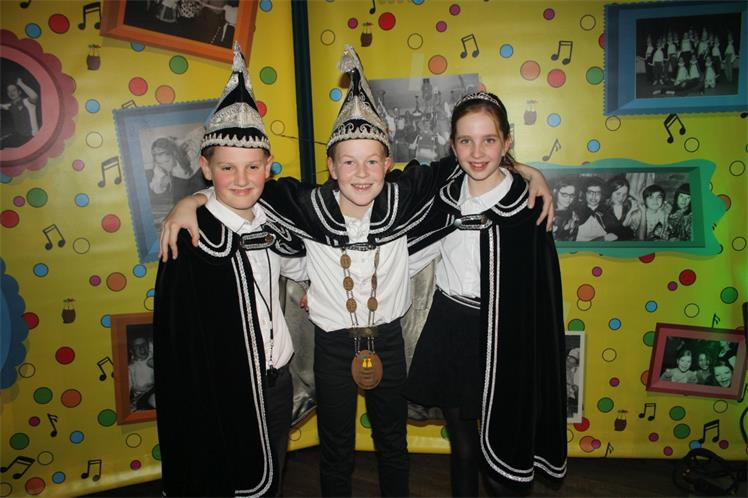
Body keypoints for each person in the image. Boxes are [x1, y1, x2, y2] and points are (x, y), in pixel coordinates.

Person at [159, 46, 555, 497]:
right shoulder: (304, 205)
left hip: (389, 342)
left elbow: (469, 162)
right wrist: (190, 200)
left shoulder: (406, 197)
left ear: (388, 165)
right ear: (331, 166)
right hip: (331, 347)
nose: (361, 173)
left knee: (393, 444)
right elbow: (240, 186)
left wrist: (530, 172)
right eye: (348, 162)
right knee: (336, 449)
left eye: (372, 161)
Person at [153, 44, 307, 497]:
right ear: (206, 168)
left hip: (278, 379)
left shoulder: (276, 216)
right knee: (228, 480)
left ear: (268, 167)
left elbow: (303, 260)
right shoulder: (189, 235)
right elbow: (178, 338)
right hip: (223, 390)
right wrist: (191, 202)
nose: (241, 179)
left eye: (253, 167)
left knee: (271, 478)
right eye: (227, 168)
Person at [404, 92, 567, 496]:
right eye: (466, 141)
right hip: (449, 328)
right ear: (453, 144)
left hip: (504, 339)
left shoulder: (527, 206)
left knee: (503, 456)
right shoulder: (442, 192)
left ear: (506, 142)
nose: (477, 153)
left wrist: (530, 173)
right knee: (462, 446)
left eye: (489, 140)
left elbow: (540, 293)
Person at [0, 78, 40, 148]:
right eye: (9, 91)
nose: (11, 93)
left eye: (14, 90)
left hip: (32, 137)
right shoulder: (11, 105)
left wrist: (20, 84)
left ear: (19, 92)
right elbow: (3, 106)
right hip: (19, 135)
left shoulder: (27, 102)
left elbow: (34, 96)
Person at [601, 175, 639, 241]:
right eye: (618, 193)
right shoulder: (603, 208)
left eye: (624, 194)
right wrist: (629, 214)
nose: (621, 198)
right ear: (610, 192)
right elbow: (616, 233)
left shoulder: (629, 205)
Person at [575, 176, 610, 241]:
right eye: (590, 192)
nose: (594, 196)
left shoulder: (607, 211)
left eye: (598, 193)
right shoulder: (576, 210)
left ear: (602, 195)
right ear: (585, 193)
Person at [128, 336, 156, 411]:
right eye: (137, 346)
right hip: (143, 399)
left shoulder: (152, 355)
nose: (142, 348)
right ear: (132, 351)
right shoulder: (131, 368)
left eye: (144, 344)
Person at [552, 177, 579, 241]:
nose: (568, 198)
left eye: (572, 195)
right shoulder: (547, 212)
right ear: (555, 192)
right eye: (564, 194)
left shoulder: (574, 214)